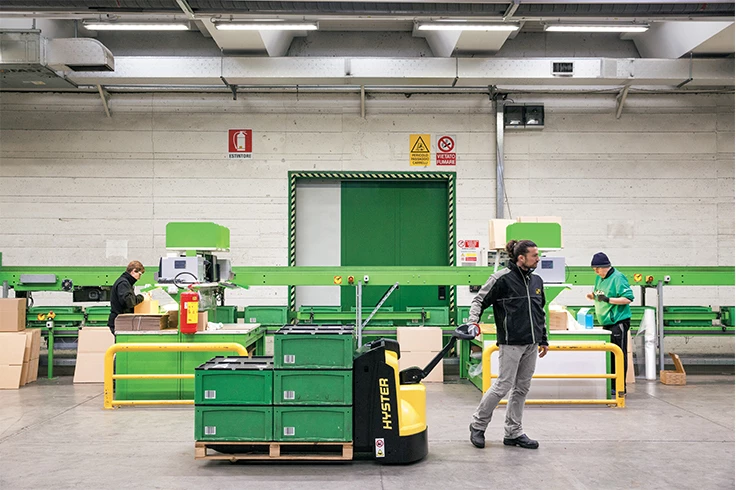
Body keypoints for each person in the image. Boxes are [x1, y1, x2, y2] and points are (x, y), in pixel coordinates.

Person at [468, 239, 549, 450]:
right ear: (521, 257)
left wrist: (543, 338)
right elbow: (479, 300)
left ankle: (513, 433)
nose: (538, 259)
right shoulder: (501, 279)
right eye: (534, 255)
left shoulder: (537, 281)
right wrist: (472, 323)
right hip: (511, 342)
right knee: (502, 386)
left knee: (522, 388)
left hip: (532, 343)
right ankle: (477, 425)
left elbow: (540, 312)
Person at [586, 252, 634, 395]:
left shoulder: (618, 278)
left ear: (605, 266)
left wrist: (607, 299)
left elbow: (628, 298)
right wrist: (593, 296)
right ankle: (611, 384)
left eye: (597, 269)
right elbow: (599, 294)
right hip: (606, 322)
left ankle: (620, 386)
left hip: (618, 321)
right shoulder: (599, 278)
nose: (596, 272)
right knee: (609, 356)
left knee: (618, 354)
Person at [107, 260, 146, 334]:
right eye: (139, 274)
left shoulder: (126, 282)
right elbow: (129, 302)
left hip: (121, 321)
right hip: (120, 321)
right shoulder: (123, 283)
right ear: (134, 271)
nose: (139, 278)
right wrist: (141, 297)